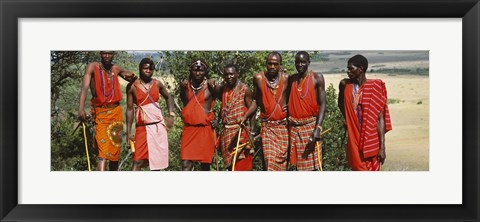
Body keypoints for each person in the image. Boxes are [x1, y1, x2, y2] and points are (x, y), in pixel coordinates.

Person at [77, 51, 136, 171]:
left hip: (116, 113)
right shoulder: (92, 67)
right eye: (104, 53)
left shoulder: (115, 68)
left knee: (115, 153)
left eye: (110, 53)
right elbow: (84, 87)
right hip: (101, 114)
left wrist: (131, 76)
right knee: (103, 154)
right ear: (100, 53)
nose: (107, 56)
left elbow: (129, 77)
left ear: (114, 54)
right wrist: (81, 108)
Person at [338, 54, 392, 171]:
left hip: (370, 138)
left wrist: (382, 148)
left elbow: (380, 118)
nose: (348, 71)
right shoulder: (345, 85)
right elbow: (340, 103)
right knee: (357, 167)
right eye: (347, 68)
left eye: (351, 68)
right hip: (354, 136)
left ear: (360, 69)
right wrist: (348, 118)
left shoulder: (374, 87)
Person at [126, 58, 175, 171]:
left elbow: (168, 97)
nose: (148, 70)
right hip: (142, 128)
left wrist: (171, 115)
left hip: (158, 127)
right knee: (137, 161)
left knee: (156, 163)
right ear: (140, 69)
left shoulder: (157, 84)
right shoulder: (132, 86)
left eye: (150, 68)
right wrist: (128, 133)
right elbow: (129, 110)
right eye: (145, 68)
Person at [287, 51, 326, 171]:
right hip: (293, 128)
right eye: (297, 62)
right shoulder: (291, 79)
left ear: (308, 62)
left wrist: (317, 129)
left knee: (311, 166)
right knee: (297, 166)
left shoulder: (317, 77)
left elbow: (323, 104)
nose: (300, 65)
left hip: (309, 127)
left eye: (303, 62)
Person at [216, 64, 257, 171]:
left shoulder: (245, 89)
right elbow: (224, 109)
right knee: (231, 168)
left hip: (240, 133)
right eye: (226, 74)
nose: (229, 77)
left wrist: (252, 132)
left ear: (237, 74)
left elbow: (253, 110)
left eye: (231, 74)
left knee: (241, 165)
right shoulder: (224, 90)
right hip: (227, 134)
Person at [252, 52, 289, 171]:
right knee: (270, 161)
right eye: (270, 64)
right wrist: (246, 118)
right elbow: (255, 101)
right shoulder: (258, 78)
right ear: (266, 64)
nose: (272, 67)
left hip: (283, 127)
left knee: (282, 164)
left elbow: (294, 97)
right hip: (267, 128)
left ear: (280, 65)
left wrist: (290, 106)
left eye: (275, 64)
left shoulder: (286, 78)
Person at [179, 59, 216, 171]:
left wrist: (218, 119)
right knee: (186, 163)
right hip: (189, 130)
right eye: (195, 70)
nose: (198, 73)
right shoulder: (186, 86)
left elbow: (225, 102)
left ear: (205, 72)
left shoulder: (211, 86)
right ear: (191, 71)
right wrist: (182, 89)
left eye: (201, 70)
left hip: (205, 129)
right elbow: (186, 105)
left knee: (205, 166)